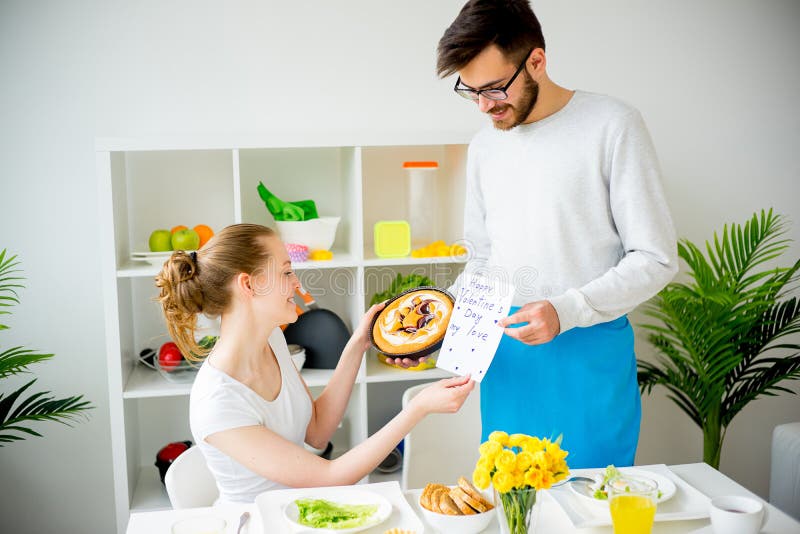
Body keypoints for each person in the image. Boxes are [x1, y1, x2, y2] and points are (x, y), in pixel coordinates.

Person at [391, 0, 678, 469]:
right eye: (470, 90)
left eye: (495, 88)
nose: (485, 105)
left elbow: (656, 257)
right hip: (508, 363)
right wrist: (436, 334)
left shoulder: (613, 125)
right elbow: (482, 260)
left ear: (537, 62)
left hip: (588, 357)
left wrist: (564, 311)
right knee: (515, 508)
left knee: (592, 508)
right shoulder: (485, 146)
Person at [156, 223, 474, 503]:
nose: (297, 283)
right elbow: (331, 476)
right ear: (248, 285)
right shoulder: (217, 401)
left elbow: (317, 432)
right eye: (285, 272)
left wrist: (358, 344)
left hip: (297, 514)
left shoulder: (273, 341)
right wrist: (418, 408)